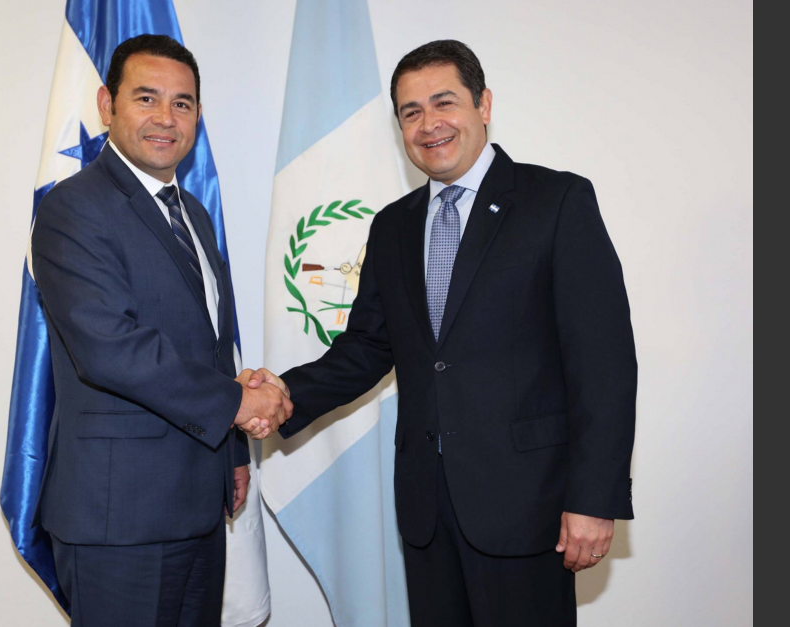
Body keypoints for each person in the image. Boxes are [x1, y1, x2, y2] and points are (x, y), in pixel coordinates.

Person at [251, 39, 637, 626]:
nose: (429, 124)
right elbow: (367, 348)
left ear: (483, 105)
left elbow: (603, 363)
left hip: (529, 506)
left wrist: (593, 499)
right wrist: (277, 395)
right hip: (428, 510)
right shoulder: (393, 226)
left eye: (444, 102)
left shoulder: (556, 201)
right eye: (410, 112)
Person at [30, 34, 290, 627]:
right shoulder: (74, 208)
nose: (165, 119)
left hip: (199, 505)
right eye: (146, 98)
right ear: (106, 104)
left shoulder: (193, 213)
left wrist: (232, 453)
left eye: (182, 103)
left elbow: (203, 346)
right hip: (120, 518)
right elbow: (111, 349)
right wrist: (237, 403)